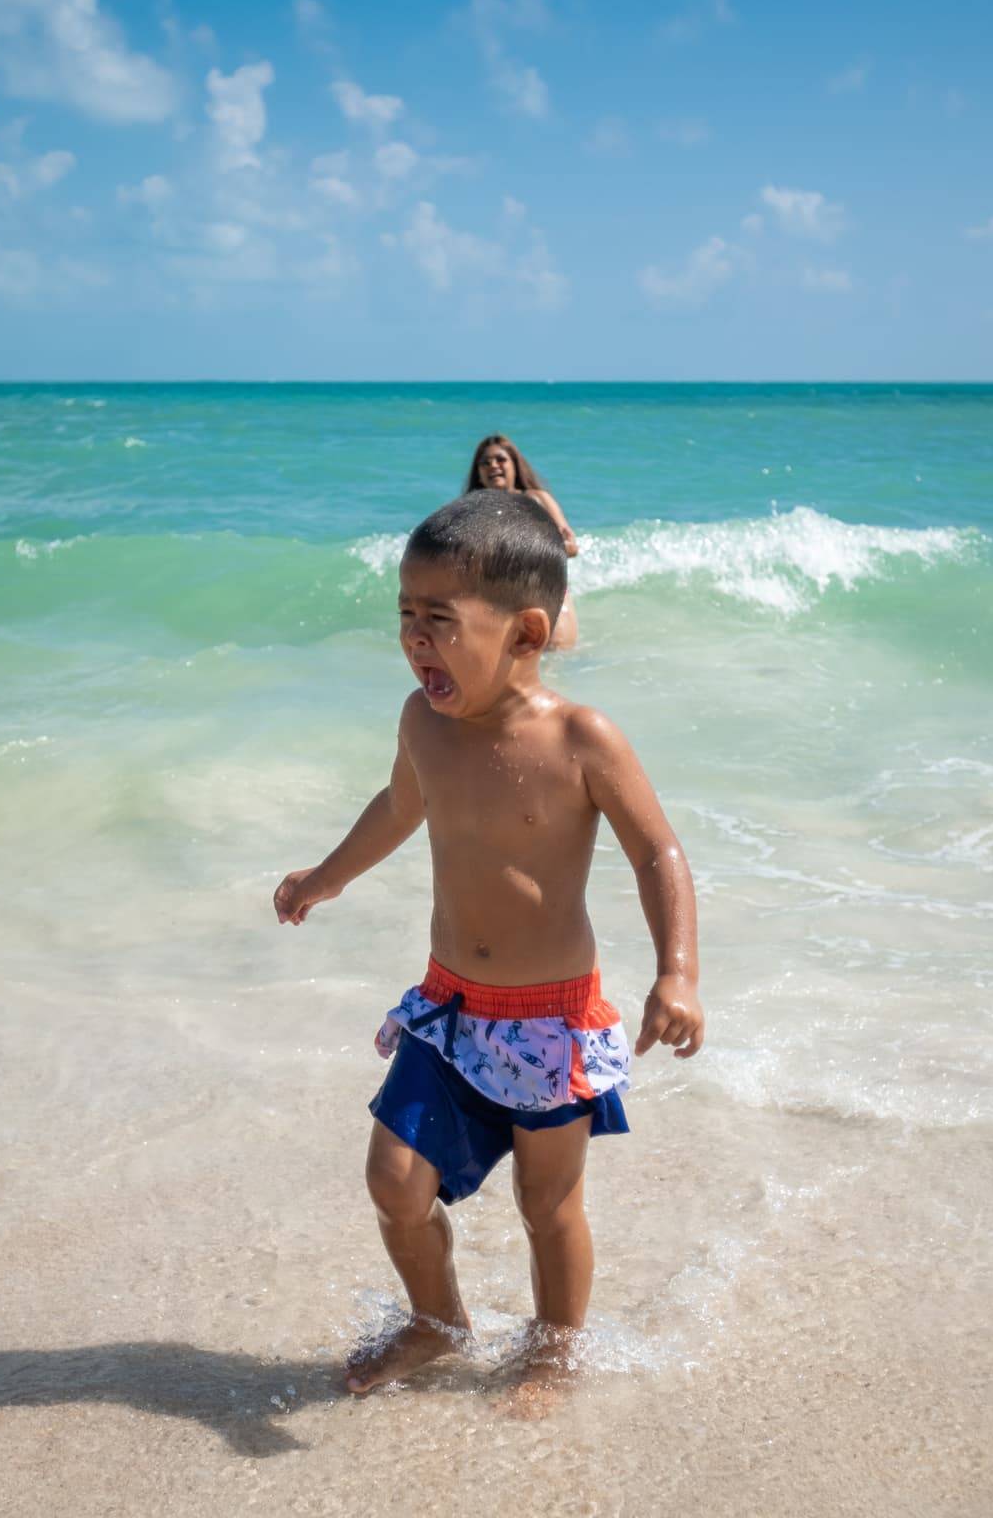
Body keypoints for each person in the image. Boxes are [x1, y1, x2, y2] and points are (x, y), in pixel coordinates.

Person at [272, 488, 702, 1412]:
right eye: (405, 616)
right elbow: (398, 808)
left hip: (550, 1021)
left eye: (440, 619)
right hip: (450, 1008)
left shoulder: (579, 738)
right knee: (394, 1180)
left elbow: (657, 851)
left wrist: (677, 972)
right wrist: (326, 876)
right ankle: (437, 1321)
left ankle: (554, 1352)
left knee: (548, 1207)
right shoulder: (421, 724)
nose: (415, 639)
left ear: (526, 633)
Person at [465, 434, 580, 651]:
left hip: (547, 591)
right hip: (499, 601)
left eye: (500, 459)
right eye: (485, 463)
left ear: (514, 465)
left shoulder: (537, 499)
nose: (493, 466)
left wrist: (525, 551)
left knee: (557, 652)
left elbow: (571, 547)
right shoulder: (473, 511)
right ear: (478, 473)